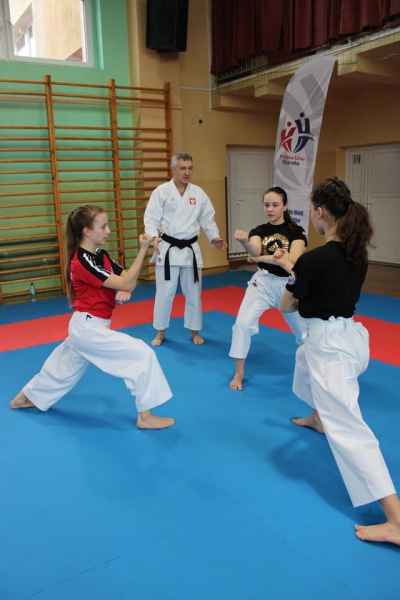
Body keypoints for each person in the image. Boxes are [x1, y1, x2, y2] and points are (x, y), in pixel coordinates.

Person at [277, 177, 400, 546]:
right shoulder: (357, 254)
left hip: (330, 349)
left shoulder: (313, 260)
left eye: (312, 210)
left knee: (349, 430)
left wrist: (293, 272)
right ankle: (318, 417)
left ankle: (395, 518)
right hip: (351, 338)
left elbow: (287, 306)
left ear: (319, 212)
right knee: (303, 363)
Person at [10, 205, 175, 430]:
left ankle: (25, 398)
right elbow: (128, 282)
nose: (108, 231)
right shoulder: (82, 262)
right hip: (89, 329)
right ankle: (145, 417)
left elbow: (128, 278)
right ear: (87, 231)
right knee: (142, 354)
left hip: (87, 326)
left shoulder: (100, 255)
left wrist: (126, 282)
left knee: (62, 368)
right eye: (103, 226)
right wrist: (141, 252)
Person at [229, 186, 307, 391]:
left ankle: (312, 371)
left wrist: (262, 258)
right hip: (262, 282)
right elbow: (254, 249)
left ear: (285, 206)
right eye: (266, 205)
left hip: (288, 285)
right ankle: (238, 373)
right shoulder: (259, 230)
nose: (270, 209)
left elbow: (293, 261)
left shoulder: (296, 232)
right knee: (242, 325)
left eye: (275, 205)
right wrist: (245, 242)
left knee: (304, 334)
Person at [144, 152, 225, 347]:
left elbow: (207, 219)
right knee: (164, 294)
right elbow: (151, 218)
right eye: (182, 168)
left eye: (190, 168)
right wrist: (153, 237)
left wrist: (214, 237)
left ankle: (195, 331)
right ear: (173, 169)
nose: (187, 172)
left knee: (194, 293)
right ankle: (160, 332)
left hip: (190, 250)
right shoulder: (162, 192)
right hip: (168, 249)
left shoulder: (198, 193)